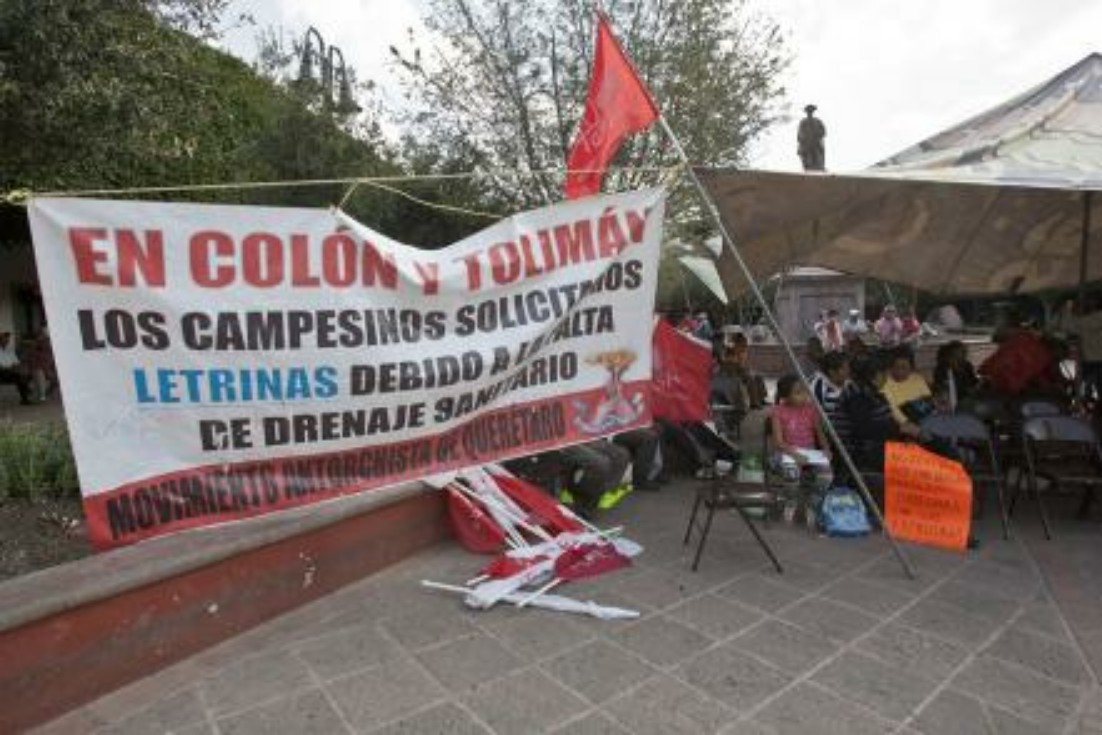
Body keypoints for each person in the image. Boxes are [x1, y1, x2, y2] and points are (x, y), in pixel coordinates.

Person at [771, 375, 833, 524]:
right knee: (792, 471)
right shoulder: (778, 411)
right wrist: (794, 454)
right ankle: (790, 503)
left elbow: (820, 434)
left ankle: (812, 505)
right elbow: (778, 442)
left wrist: (826, 449)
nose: (804, 395)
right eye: (798, 393)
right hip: (786, 453)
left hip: (810, 455)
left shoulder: (811, 410)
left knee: (827, 474)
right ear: (786, 396)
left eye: (804, 391)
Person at [810, 351, 852, 452]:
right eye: (844, 369)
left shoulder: (848, 383)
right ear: (832, 372)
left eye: (848, 367)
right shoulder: (817, 388)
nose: (848, 371)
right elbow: (817, 420)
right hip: (830, 437)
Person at [881, 346, 934, 426]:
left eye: (904, 367)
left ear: (911, 368)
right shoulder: (885, 384)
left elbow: (927, 401)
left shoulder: (917, 379)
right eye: (897, 367)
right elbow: (893, 410)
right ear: (891, 367)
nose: (900, 371)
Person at [933, 340, 980, 410]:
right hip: (955, 401)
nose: (965, 354)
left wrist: (979, 384)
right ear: (953, 354)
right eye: (962, 352)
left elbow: (973, 381)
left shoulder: (966, 365)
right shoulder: (943, 368)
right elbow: (943, 388)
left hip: (969, 397)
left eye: (965, 352)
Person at [0, 332, 34, 405]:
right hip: (2, 372)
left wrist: (15, 365)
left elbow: (16, 362)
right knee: (19, 375)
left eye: (7, 340)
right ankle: (26, 391)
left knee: (22, 374)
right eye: (5, 340)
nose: (7, 341)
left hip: (11, 371)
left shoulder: (10, 350)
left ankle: (25, 398)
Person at [797, 104, 826, 171]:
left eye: (811, 111)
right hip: (806, 148)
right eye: (808, 111)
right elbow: (799, 136)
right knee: (807, 165)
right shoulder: (803, 122)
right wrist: (805, 140)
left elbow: (823, 132)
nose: (810, 113)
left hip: (816, 146)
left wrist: (816, 137)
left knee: (818, 164)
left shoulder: (818, 122)